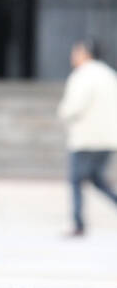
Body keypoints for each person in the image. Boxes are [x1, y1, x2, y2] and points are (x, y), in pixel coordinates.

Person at [57, 38, 117, 235]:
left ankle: (78, 223)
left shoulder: (82, 76)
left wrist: (63, 113)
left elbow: (73, 107)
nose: (72, 56)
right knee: (97, 180)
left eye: (76, 52)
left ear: (85, 53)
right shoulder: (110, 75)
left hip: (85, 138)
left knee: (76, 180)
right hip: (107, 138)